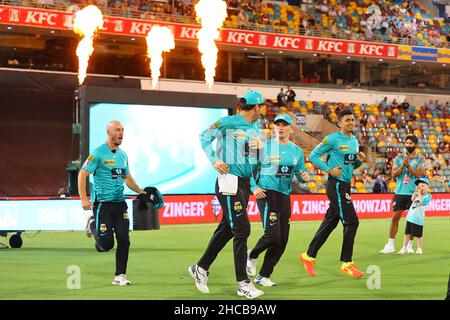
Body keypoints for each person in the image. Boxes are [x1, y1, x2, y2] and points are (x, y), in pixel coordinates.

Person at [188, 89, 266, 299]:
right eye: (261, 106)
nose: (262, 110)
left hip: (244, 185)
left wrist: (261, 148)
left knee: (228, 229)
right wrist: (214, 160)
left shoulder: (255, 128)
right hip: (229, 182)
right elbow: (204, 136)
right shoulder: (229, 122)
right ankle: (243, 283)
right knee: (242, 229)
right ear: (257, 107)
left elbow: (256, 158)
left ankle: (201, 268)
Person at [78, 120, 149, 286]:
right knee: (106, 244)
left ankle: (120, 276)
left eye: (122, 130)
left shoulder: (123, 155)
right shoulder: (98, 153)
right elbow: (82, 175)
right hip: (103, 205)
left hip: (120, 204)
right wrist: (83, 198)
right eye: (117, 130)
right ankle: (92, 223)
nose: (121, 133)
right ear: (109, 132)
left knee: (124, 239)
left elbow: (127, 177)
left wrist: (139, 190)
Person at [298, 109, 367, 278]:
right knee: (352, 222)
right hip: (336, 185)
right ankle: (347, 263)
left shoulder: (353, 141)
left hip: (345, 184)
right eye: (347, 120)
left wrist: (359, 160)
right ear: (340, 123)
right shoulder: (332, 139)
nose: (351, 122)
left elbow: (351, 165)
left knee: (330, 222)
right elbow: (313, 156)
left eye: (353, 119)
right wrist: (328, 169)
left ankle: (309, 256)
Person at [246, 114, 309, 287]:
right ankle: (252, 255)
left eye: (284, 125)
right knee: (273, 235)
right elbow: (249, 170)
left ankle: (264, 275)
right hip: (267, 194)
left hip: (284, 195)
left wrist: (304, 177)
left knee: (283, 240)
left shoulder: (296, 151)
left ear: (290, 128)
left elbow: (300, 175)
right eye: (277, 125)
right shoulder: (265, 147)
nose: (280, 128)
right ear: (274, 128)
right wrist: (253, 187)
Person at [380, 135, 425, 254]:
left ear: (415, 145)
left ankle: (409, 246)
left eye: (410, 143)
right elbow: (394, 174)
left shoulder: (421, 159)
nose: (408, 145)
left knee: (412, 220)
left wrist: (408, 166)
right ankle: (390, 244)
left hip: (414, 193)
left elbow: (418, 174)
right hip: (400, 192)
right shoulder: (399, 158)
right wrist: (402, 166)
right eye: (406, 143)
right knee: (395, 218)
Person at [398, 177, 431, 255]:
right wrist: (415, 193)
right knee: (407, 233)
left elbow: (420, 202)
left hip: (418, 219)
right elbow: (413, 199)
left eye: (423, 186)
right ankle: (404, 247)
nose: (421, 188)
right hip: (410, 217)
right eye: (419, 186)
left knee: (419, 235)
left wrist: (419, 194)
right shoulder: (417, 194)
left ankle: (419, 248)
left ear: (428, 187)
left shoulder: (427, 197)